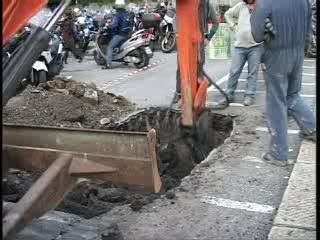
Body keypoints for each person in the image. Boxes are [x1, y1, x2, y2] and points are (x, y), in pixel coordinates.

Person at [250, 0, 316, 166]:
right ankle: (312, 128)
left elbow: (256, 35)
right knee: (292, 95)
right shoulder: (304, 2)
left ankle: (278, 154)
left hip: (276, 54)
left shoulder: (265, 3)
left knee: (276, 101)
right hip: (298, 52)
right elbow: (309, 30)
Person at [172, 0, 219, 104]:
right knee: (181, 67)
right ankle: (179, 93)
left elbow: (215, 22)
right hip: (185, 39)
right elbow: (175, 19)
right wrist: (177, 33)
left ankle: (197, 94)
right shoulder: (185, 4)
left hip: (199, 39)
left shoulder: (206, 5)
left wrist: (208, 37)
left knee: (199, 64)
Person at [220, 0, 263, 106]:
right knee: (234, 71)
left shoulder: (261, 6)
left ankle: (249, 96)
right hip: (240, 46)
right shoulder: (241, 6)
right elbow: (227, 14)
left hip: (256, 46)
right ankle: (228, 95)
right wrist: (233, 27)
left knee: (252, 73)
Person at [102, 4, 133, 69]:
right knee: (122, 47)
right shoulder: (127, 15)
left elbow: (114, 25)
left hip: (120, 35)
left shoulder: (117, 16)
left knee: (110, 47)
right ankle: (125, 61)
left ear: (117, 9)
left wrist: (108, 26)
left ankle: (108, 64)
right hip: (128, 34)